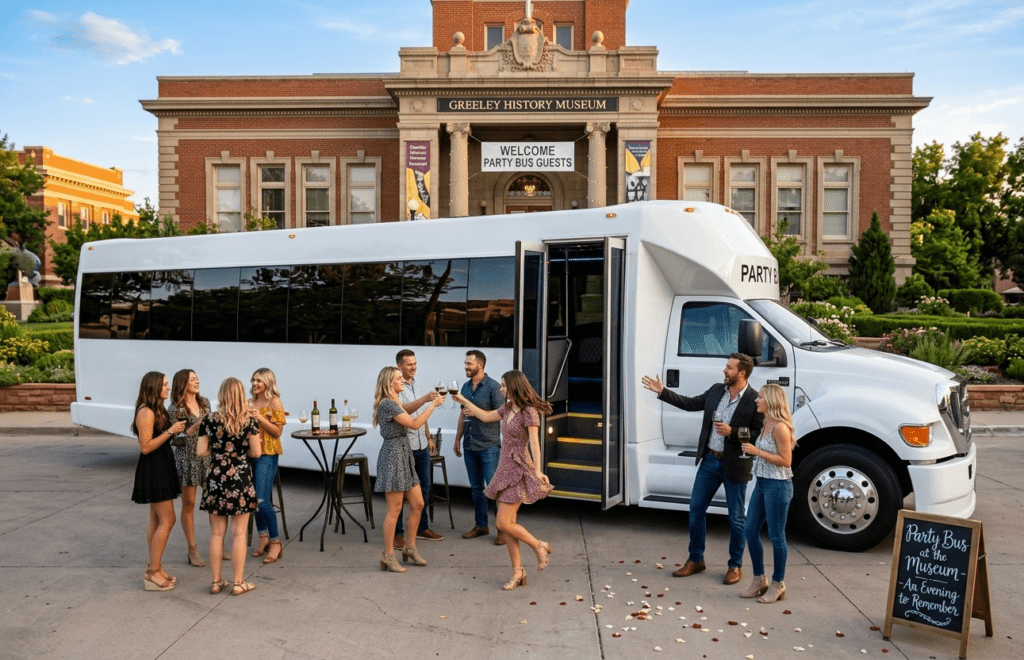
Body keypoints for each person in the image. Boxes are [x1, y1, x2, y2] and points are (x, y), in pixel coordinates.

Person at [641, 352, 763, 586]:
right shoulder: (717, 390)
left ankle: (735, 565)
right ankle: (696, 559)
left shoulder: (754, 399)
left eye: (729, 368)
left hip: (735, 464)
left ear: (742, 373)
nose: (724, 370)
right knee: (696, 511)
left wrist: (733, 433)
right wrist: (662, 391)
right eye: (726, 367)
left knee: (736, 518)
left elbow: (758, 435)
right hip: (709, 461)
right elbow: (689, 404)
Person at [454, 370, 554, 590]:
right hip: (504, 468)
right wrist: (463, 400)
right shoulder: (507, 408)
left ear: (514, 386)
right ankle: (518, 572)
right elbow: (487, 416)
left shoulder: (529, 412)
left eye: (503, 385)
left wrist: (537, 471)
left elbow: (535, 445)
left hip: (519, 469)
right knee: (508, 525)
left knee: (501, 523)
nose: (501, 389)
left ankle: (538, 545)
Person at [373, 366, 444, 572]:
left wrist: (423, 400)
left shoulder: (395, 402)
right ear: (389, 383)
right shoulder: (387, 403)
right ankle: (387, 555)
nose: (403, 380)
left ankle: (410, 548)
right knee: (394, 510)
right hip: (394, 457)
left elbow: (406, 411)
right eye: (398, 378)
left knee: (418, 503)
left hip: (403, 455)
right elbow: (413, 424)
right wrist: (432, 406)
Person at [197, 377, 262, 596]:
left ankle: (216, 582)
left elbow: (201, 451)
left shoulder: (210, 419)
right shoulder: (249, 421)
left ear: (222, 394)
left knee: (217, 533)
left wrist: (219, 451)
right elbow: (256, 453)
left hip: (216, 475)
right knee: (239, 534)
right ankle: (238, 582)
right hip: (241, 477)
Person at [739, 383, 796, 604]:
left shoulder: (780, 427)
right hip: (762, 483)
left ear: (771, 400)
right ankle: (759, 579)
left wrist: (756, 451)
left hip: (778, 485)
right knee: (750, 530)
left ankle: (778, 583)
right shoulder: (765, 424)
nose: (756, 400)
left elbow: (786, 461)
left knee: (776, 535)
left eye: (760, 397)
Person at [131, 371, 186, 591]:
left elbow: (163, 438)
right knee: (168, 519)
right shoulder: (146, 412)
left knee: (156, 520)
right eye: (164, 384)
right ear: (154, 387)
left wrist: (186, 429)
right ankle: (153, 572)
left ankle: (155, 567)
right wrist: (171, 431)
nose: (168, 388)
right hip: (154, 468)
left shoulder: (157, 409)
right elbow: (145, 447)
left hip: (161, 464)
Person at [392, 349, 443, 550]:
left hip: (421, 444)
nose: (413, 367)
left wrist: (429, 437)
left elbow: (422, 415)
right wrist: (425, 400)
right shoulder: (394, 387)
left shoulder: (417, 384)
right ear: (399, 366)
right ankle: (397, 534)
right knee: (400, 492)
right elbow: (405, 412)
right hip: (406, 446)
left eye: (415, 364)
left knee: (425, 488)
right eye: (409, 364)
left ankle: (422, 528)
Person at [453, 350, 505, 543]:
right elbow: (462, 415)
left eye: (469, 364)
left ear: (480, 365)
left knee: (494, 488)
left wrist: (478, 412)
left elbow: (501, 413)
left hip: (489, 445)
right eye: (466, 363)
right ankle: (481, 525)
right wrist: (458, 438)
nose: (466, 367)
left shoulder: (494, 387)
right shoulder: (465, 387)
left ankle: (503, 529)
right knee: (476, 488)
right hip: (470, 445)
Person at [167, 369, 211, 568]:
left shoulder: (205, 403)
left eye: (197, 378)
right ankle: (192, 548)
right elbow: (176, 440)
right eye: (192, 379)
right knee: (189, 504)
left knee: (215, 502)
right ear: (182, 384)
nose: (197, 381)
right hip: (187, 459)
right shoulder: (175, 408)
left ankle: (217, 544)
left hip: (207, 458)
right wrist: (195, 427)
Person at [248, 368, 286, 565]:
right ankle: (262, 538)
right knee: (253, 500)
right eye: (253, 380)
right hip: (250, 454)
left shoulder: (274, 402)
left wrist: (260, 418)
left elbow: (278, 432)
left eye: (259, 381)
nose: (254, 383)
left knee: (262, 499)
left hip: (267, 454)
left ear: (268, 383)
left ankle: (275, 542)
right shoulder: (250, 402)